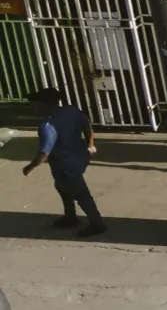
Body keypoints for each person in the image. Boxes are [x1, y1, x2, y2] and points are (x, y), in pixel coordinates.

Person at [23, 88, 105, 236]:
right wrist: (90, 144)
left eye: (36, 103)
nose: (34, 106)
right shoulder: (71, 111)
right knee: (61, 186)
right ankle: (70, 216)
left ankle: (97, 223)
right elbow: (87, 125)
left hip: (65, 165)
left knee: (81, 194)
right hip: (78, 157)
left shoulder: (48, 125)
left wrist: (29, 167)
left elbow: (44, 153)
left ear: (43, 104)